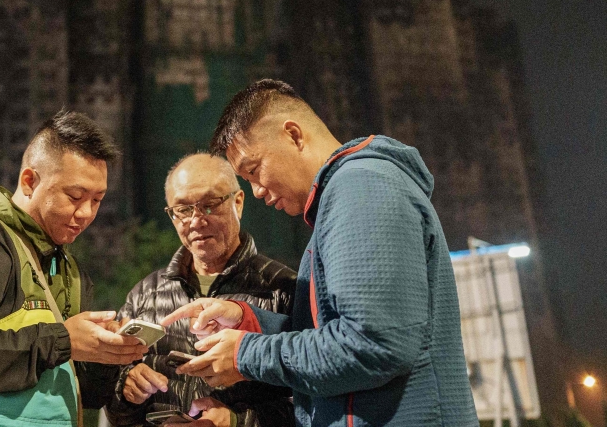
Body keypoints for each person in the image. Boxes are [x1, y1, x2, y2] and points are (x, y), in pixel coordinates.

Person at [161, 80, 478, 427]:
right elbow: (333, 330)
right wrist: (248, 321)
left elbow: (372, 344)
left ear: (293, 135)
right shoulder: (339, 199)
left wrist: (245, 354)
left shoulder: (361, 188)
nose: (257, 192)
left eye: (254, 171)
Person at [0, 111, 148, 427]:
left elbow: (83, 393)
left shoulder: (69, 269)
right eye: (75, 196)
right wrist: (63, 341)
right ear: (30, 181)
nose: (86, 213)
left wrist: (111, 358)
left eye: (97, 200)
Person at [106, 153, 296, 427]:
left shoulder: (283, 288)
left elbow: (314, 404)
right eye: (182, 210)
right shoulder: (146, 294)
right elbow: (115, 413)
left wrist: (236, 421)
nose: (196, 220)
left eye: (209, 204)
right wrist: (126, 389)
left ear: (238, 203)